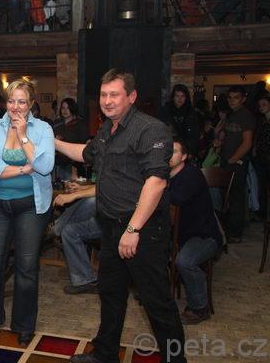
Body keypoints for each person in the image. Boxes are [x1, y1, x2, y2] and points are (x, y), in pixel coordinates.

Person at [55, 69, 186, 363]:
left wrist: (133, 229)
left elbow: (156, 182)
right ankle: (105, 354)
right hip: (111, 228)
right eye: (103, 95)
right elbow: (85, 153)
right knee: (111, 293)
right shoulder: (107, 129)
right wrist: (51, 142)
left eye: (114, 94)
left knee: (157, 302)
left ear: (131, 96)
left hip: (142, 229)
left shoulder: (150, 129)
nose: (107, 101)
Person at [0, 79, 54, 347]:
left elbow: (45, 166)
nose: (15, 107)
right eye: (11, 101)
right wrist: (22, 169)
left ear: (31, 104)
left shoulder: (43, 129)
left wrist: (23, 135)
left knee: (26, 267)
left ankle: (24, 324)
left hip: (31, 206)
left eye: (22, 101)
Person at [169, 138, 223, 325]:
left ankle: (200, 308)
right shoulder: (165, 175)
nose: (168, 154)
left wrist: (155, 187)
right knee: (148, 247)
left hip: (204, 236)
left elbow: (177, 198)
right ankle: (155, 294)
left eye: (174, 151)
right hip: (179, 235)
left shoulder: (191, 174)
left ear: (184, 156)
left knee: (184, 261)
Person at [220, 85, 256, 243]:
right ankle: (228, 230)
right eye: (230, 97)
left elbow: (247, 143)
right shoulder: (232, 114)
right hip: (227, 161)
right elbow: (229, 137)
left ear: (243, 99)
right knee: (227, 197)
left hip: (237, 163)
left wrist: (233, 159)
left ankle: (235, 234)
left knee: (235, 198)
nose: (232, 100)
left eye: (236, 97)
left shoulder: (246, 116)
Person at [52, 183, 100, 295]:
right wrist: (82, 188)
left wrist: (74, 195)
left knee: (92, 201)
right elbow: (103, 184)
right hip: (104, 218)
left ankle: (56, 227)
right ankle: (85, 280)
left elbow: (106, 187)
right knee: (69, 231)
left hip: (121, 221)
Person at [52, 98, 88, 181]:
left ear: (72, 108)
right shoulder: (57, 123)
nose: (65, 111)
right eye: (63, 108)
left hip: (73, 164)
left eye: (68, 108)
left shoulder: (80, 124)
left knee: (71, 186)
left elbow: (84, 144)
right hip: (58, 163)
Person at [160, 84, 200, 157]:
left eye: (182, 96)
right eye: (177, 96)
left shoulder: (191, 112)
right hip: (169, 147)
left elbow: (195, 134)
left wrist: (191, 152)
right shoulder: (166, 111)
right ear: (173, 97)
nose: (180, 99)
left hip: (186, 148)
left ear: (186, 97)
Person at [253, 95, 270, 220]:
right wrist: (254, 149)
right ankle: (263, 213)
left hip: (267, 157)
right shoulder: (262, 120)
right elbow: (257, 137)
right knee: (262, 186)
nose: (261, 107)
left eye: (264, 104)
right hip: (261, 157)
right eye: (259, 105)